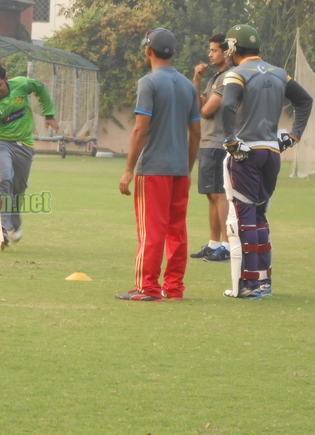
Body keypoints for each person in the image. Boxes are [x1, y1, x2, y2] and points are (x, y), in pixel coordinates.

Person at [220, 24, 312, 299]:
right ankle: (264, 282)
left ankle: (248, 285)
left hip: (247, 151)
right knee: (259, 216)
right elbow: (305, 101)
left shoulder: (236, 74)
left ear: (235, 48)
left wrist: (231, 140)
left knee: (244, 216)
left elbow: (226, 106)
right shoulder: (279, 73)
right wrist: (294, 136)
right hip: (273, 152)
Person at [116, 28, 201, 301]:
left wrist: (129, 170)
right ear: (173, 53)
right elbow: (196, 133)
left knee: (151, 231)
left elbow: (140, 130)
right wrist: (187, 168)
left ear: (147, 50)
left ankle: (148, 288)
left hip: (153, 169)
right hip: (179, 170)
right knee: (177, 230)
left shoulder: (148, 83)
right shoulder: (189, 86)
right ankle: (174, 288)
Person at [0, 63, 59, 248]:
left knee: (18, 189)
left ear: (6, 80)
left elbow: (39, 88)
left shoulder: (21, 85)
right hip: (1, 143)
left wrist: (49, 114)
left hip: (25, 146)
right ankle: (3, 226)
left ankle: (14, 224)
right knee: (4, 178)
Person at [190, 34, 233, 262]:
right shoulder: (214, 78)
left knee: (219, 194)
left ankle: (226, 245)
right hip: (207, 142)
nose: (210, 54)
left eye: (214, 50)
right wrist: (196, 79)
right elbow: (198, 105)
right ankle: (213, 243)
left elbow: (206, 111)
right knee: (210, 194)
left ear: (225, 52)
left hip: (218, 143)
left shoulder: (228, 78)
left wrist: (204, 105)